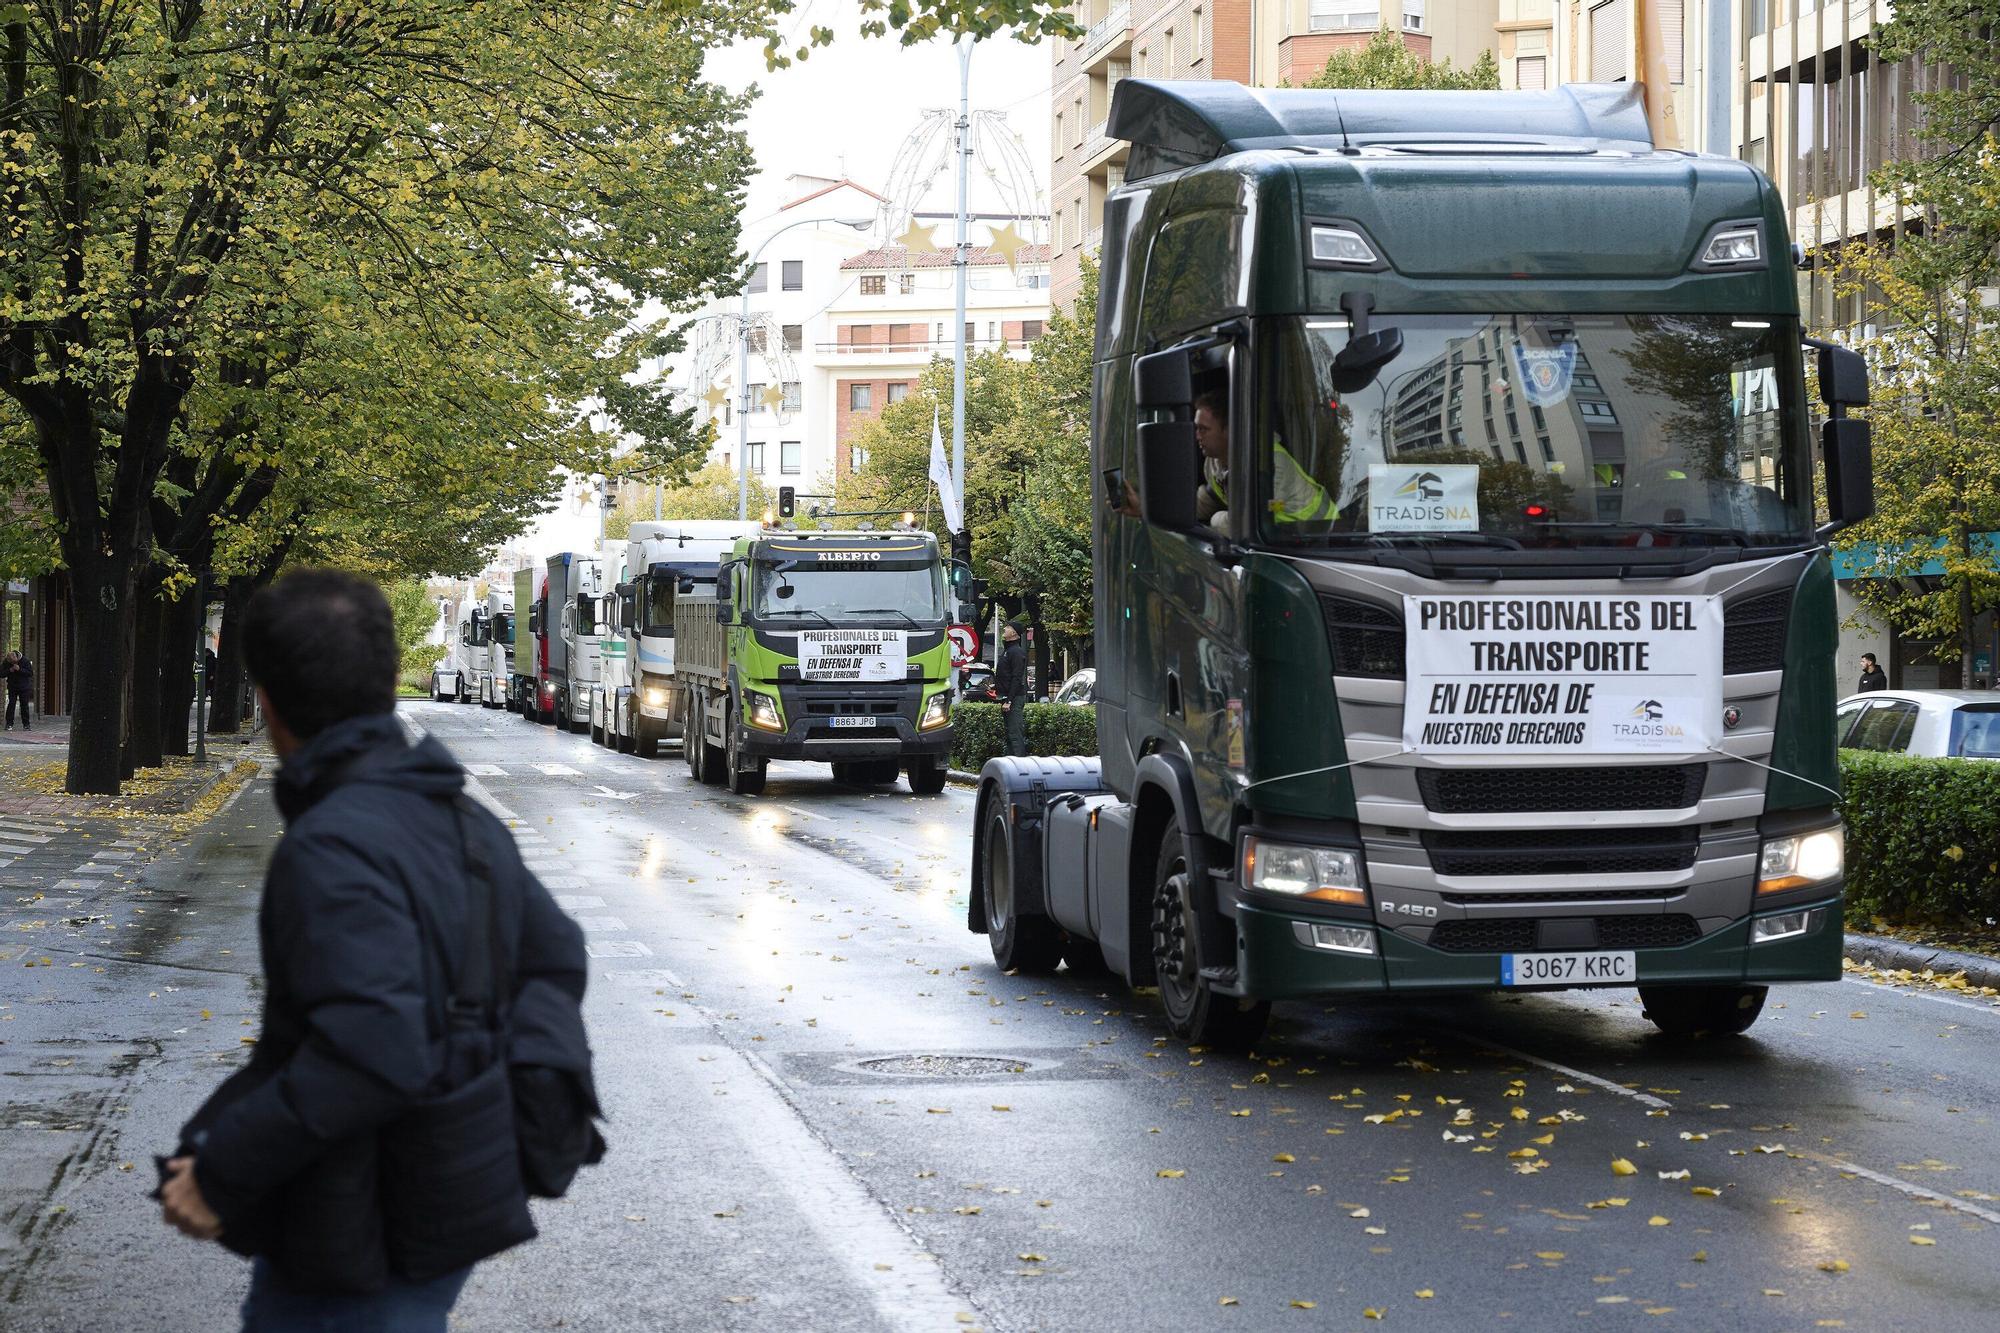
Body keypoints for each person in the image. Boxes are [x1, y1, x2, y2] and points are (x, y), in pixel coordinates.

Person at [157, 568, 597, 1331]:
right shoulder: (462, 819)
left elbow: (376, 1047)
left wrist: (225, 1168)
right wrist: (483, 1092)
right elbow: (555, 954)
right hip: (443, 1204)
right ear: (388, 681)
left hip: (359, 1222)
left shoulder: (331, 845)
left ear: (266, 702)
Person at [1190, 390, 1337, 529]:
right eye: (1196, 428)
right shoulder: (1214, 460)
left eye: (1203, 429)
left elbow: (1251, 520)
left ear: (1230, 430)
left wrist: (1216, 520)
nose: (1197, 436)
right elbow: (1212, 495)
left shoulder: (1269, 463)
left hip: (1317, 529)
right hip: (1278, 529)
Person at [995, 623, 1029, 757]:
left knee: (1015, 735)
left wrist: (1009, 700)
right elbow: (1007, 675)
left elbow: (1017, 677)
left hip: (1013, 698)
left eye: (1008, 627)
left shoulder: (1016, 652)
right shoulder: (1008, 650)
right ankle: (1010, 763)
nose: (1005, 629)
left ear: (1014, 633)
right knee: (1010, 734)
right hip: (1008, 697)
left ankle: (1019, 764)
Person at [4, 650, 32, 730]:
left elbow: (30, 673)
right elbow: (1, 673)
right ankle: (9, 724)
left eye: (14, 662)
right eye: (11, 662)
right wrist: (9, 670)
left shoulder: (25, 661)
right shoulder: (7, 661)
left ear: (17, 657)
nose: (13, 663)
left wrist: (19, 669)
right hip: (12, 687)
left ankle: (26, 725)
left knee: (24, 705)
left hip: (24, 687)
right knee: (11, 705)